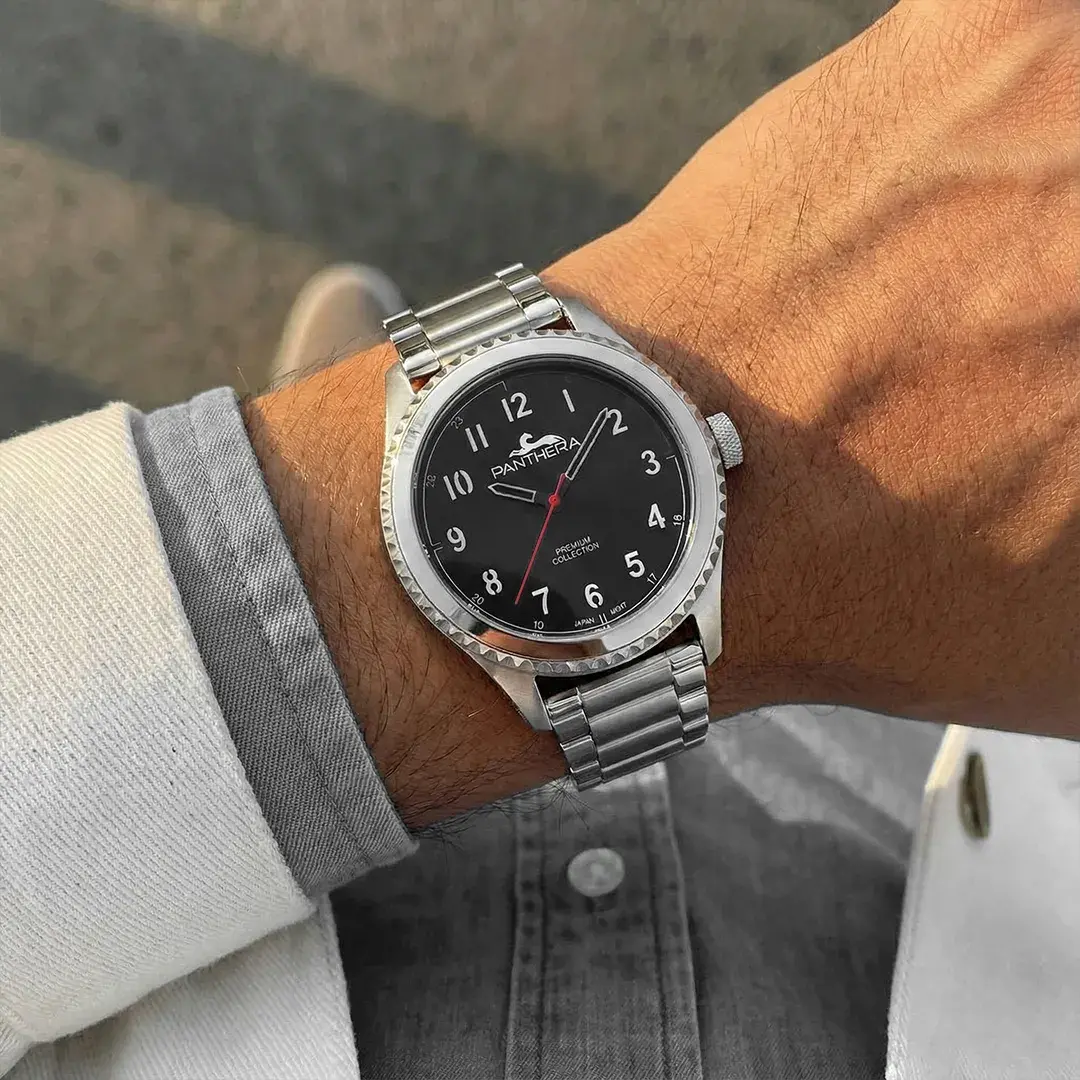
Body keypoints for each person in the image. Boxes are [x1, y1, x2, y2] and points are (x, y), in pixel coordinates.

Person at [1, 0, 1077, 1075]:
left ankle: (354, 443)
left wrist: (292, 572)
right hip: (903, 822)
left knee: (370, 493)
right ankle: (386, 443)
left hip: (233, 951)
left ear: (711, 445)